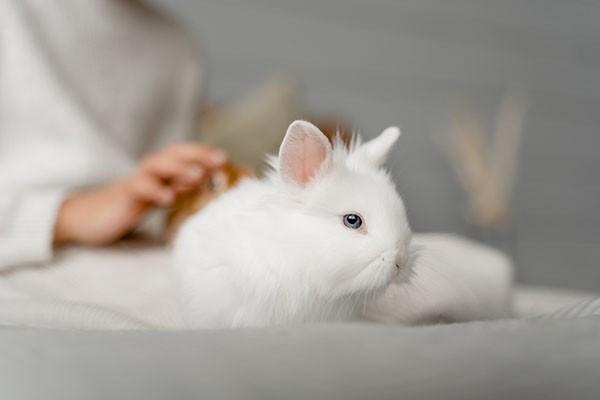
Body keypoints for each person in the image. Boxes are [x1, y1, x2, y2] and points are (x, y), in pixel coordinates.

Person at [0, 0, 227, 270]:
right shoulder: (12, 12)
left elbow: (162, 212)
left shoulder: (181, 51)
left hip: (134, 267)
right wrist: (67, 217)